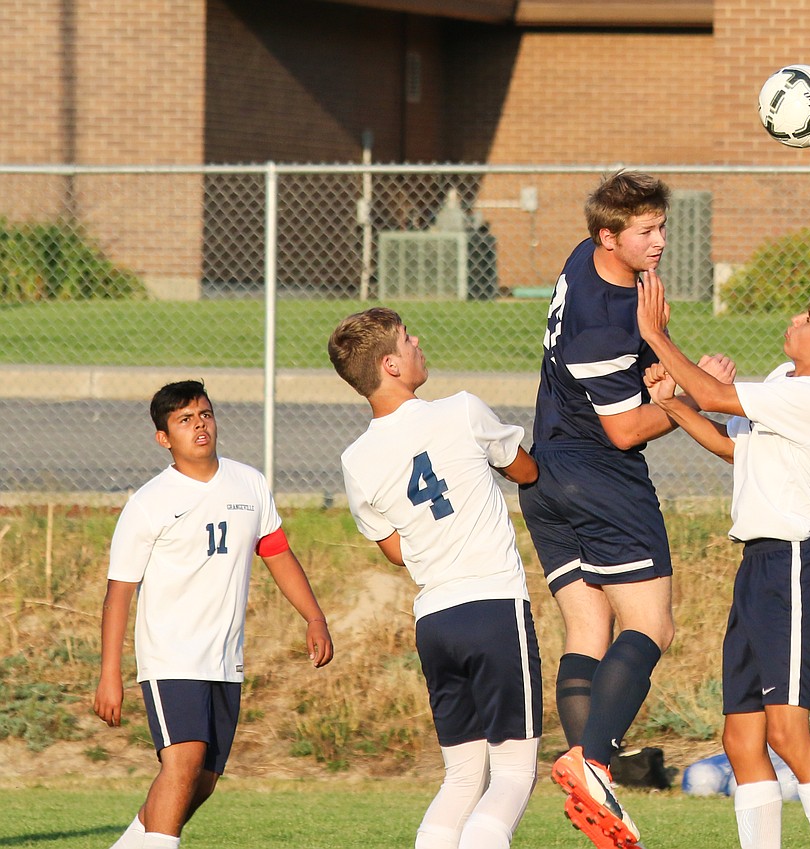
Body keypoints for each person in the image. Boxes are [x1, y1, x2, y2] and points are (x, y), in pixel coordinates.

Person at [519, 170, 734, 849]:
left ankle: (595, 792)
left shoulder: (586, 259)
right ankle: (594, 763)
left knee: (588, 629)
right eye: (646, 231)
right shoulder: (605, 322)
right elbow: (624, 430)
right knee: (653, 624)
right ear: (609, 236)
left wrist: (651, 351)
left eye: (662, 227)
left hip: (547, 471)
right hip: (600, 476)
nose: (661, 241)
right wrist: (688, 396)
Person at [637, 274, 810, 849]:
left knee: (788, 731)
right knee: (741, 739)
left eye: (807, 318)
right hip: (757, 566)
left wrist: (656, 334)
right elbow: (732, 444)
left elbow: (720, 396)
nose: (795, 321)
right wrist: (671, 403)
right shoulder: (785, 381)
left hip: (795, 567)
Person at [328, 307, 542, 849]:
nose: (418, 340)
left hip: (435, 621)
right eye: (406, 338)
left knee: (464, 775)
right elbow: (527, 470)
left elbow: (395, 552)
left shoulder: (357, 459)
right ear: (391, 364)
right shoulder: (461, 411)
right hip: (493, 603)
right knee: (514, 771)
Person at [94, 380, 334, 849]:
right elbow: (118, 594)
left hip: (224, 660)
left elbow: (277, 552)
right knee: (182, 765)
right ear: (164, 438)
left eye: (204, 414)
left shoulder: (249, 483)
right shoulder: (148, 503)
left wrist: (314, 617)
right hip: (170, 657)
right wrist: (109, 675)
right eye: (184, 420)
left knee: (200, 781)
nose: (199, 425)